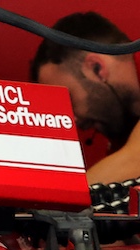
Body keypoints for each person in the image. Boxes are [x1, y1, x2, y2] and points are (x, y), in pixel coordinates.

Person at [31, 11, 140, 186]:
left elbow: (135, 160)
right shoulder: (121, 137)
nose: (73, 120)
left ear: (96, 68)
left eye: (69, 101)